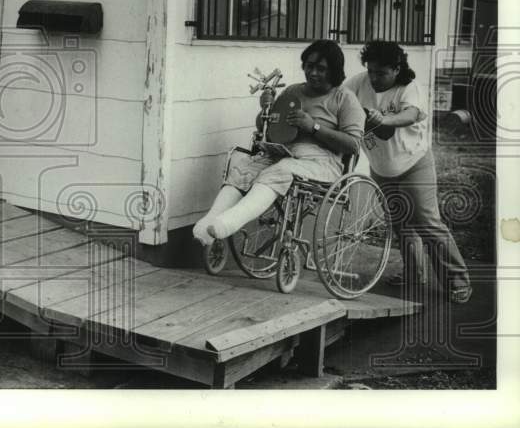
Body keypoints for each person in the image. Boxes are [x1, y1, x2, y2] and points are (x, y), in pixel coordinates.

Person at [193, 40, 365, 245]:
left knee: (280, 171)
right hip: (281, 151)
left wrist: (314, 127)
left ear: (334, 71)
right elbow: (265, 128)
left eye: (321, 69)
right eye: (309, 66)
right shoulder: (292, 91)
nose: (313, 73)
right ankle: (210, 223)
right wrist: (265, 110)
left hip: (321, 161)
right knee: (244, 168)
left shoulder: (344, 99)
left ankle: (227, 223)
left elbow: (353, 145)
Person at [346, 41, 472, 303]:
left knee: (427, 223)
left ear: (396, 69)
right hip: (382, 167)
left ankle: (457, 280)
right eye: (371, 71)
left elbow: (411, 114)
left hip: (414, 163)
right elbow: (338, 99)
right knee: (400, 223)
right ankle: (414, 274)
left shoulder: (409, 87)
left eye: (381, 73)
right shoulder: (358, 83)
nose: (374, 78)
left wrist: (383, 120)